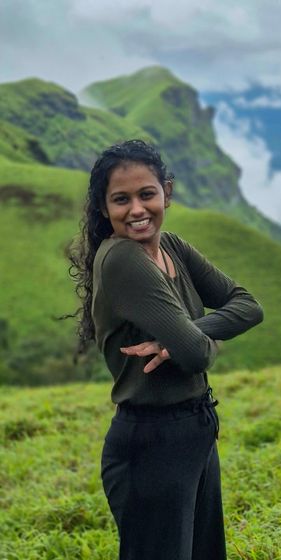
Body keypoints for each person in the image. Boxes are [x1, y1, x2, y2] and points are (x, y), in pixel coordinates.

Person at [69, 139, 264, 560]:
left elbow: (248, 306)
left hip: (194, 433)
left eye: (147, 194)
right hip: (151, 445)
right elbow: (196, 354)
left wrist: (180, 335)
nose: (137, 209)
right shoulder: (122, 259)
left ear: (167, 194)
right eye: (121, 200)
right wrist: (188, 341)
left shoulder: (172, 246)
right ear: (104, 208)